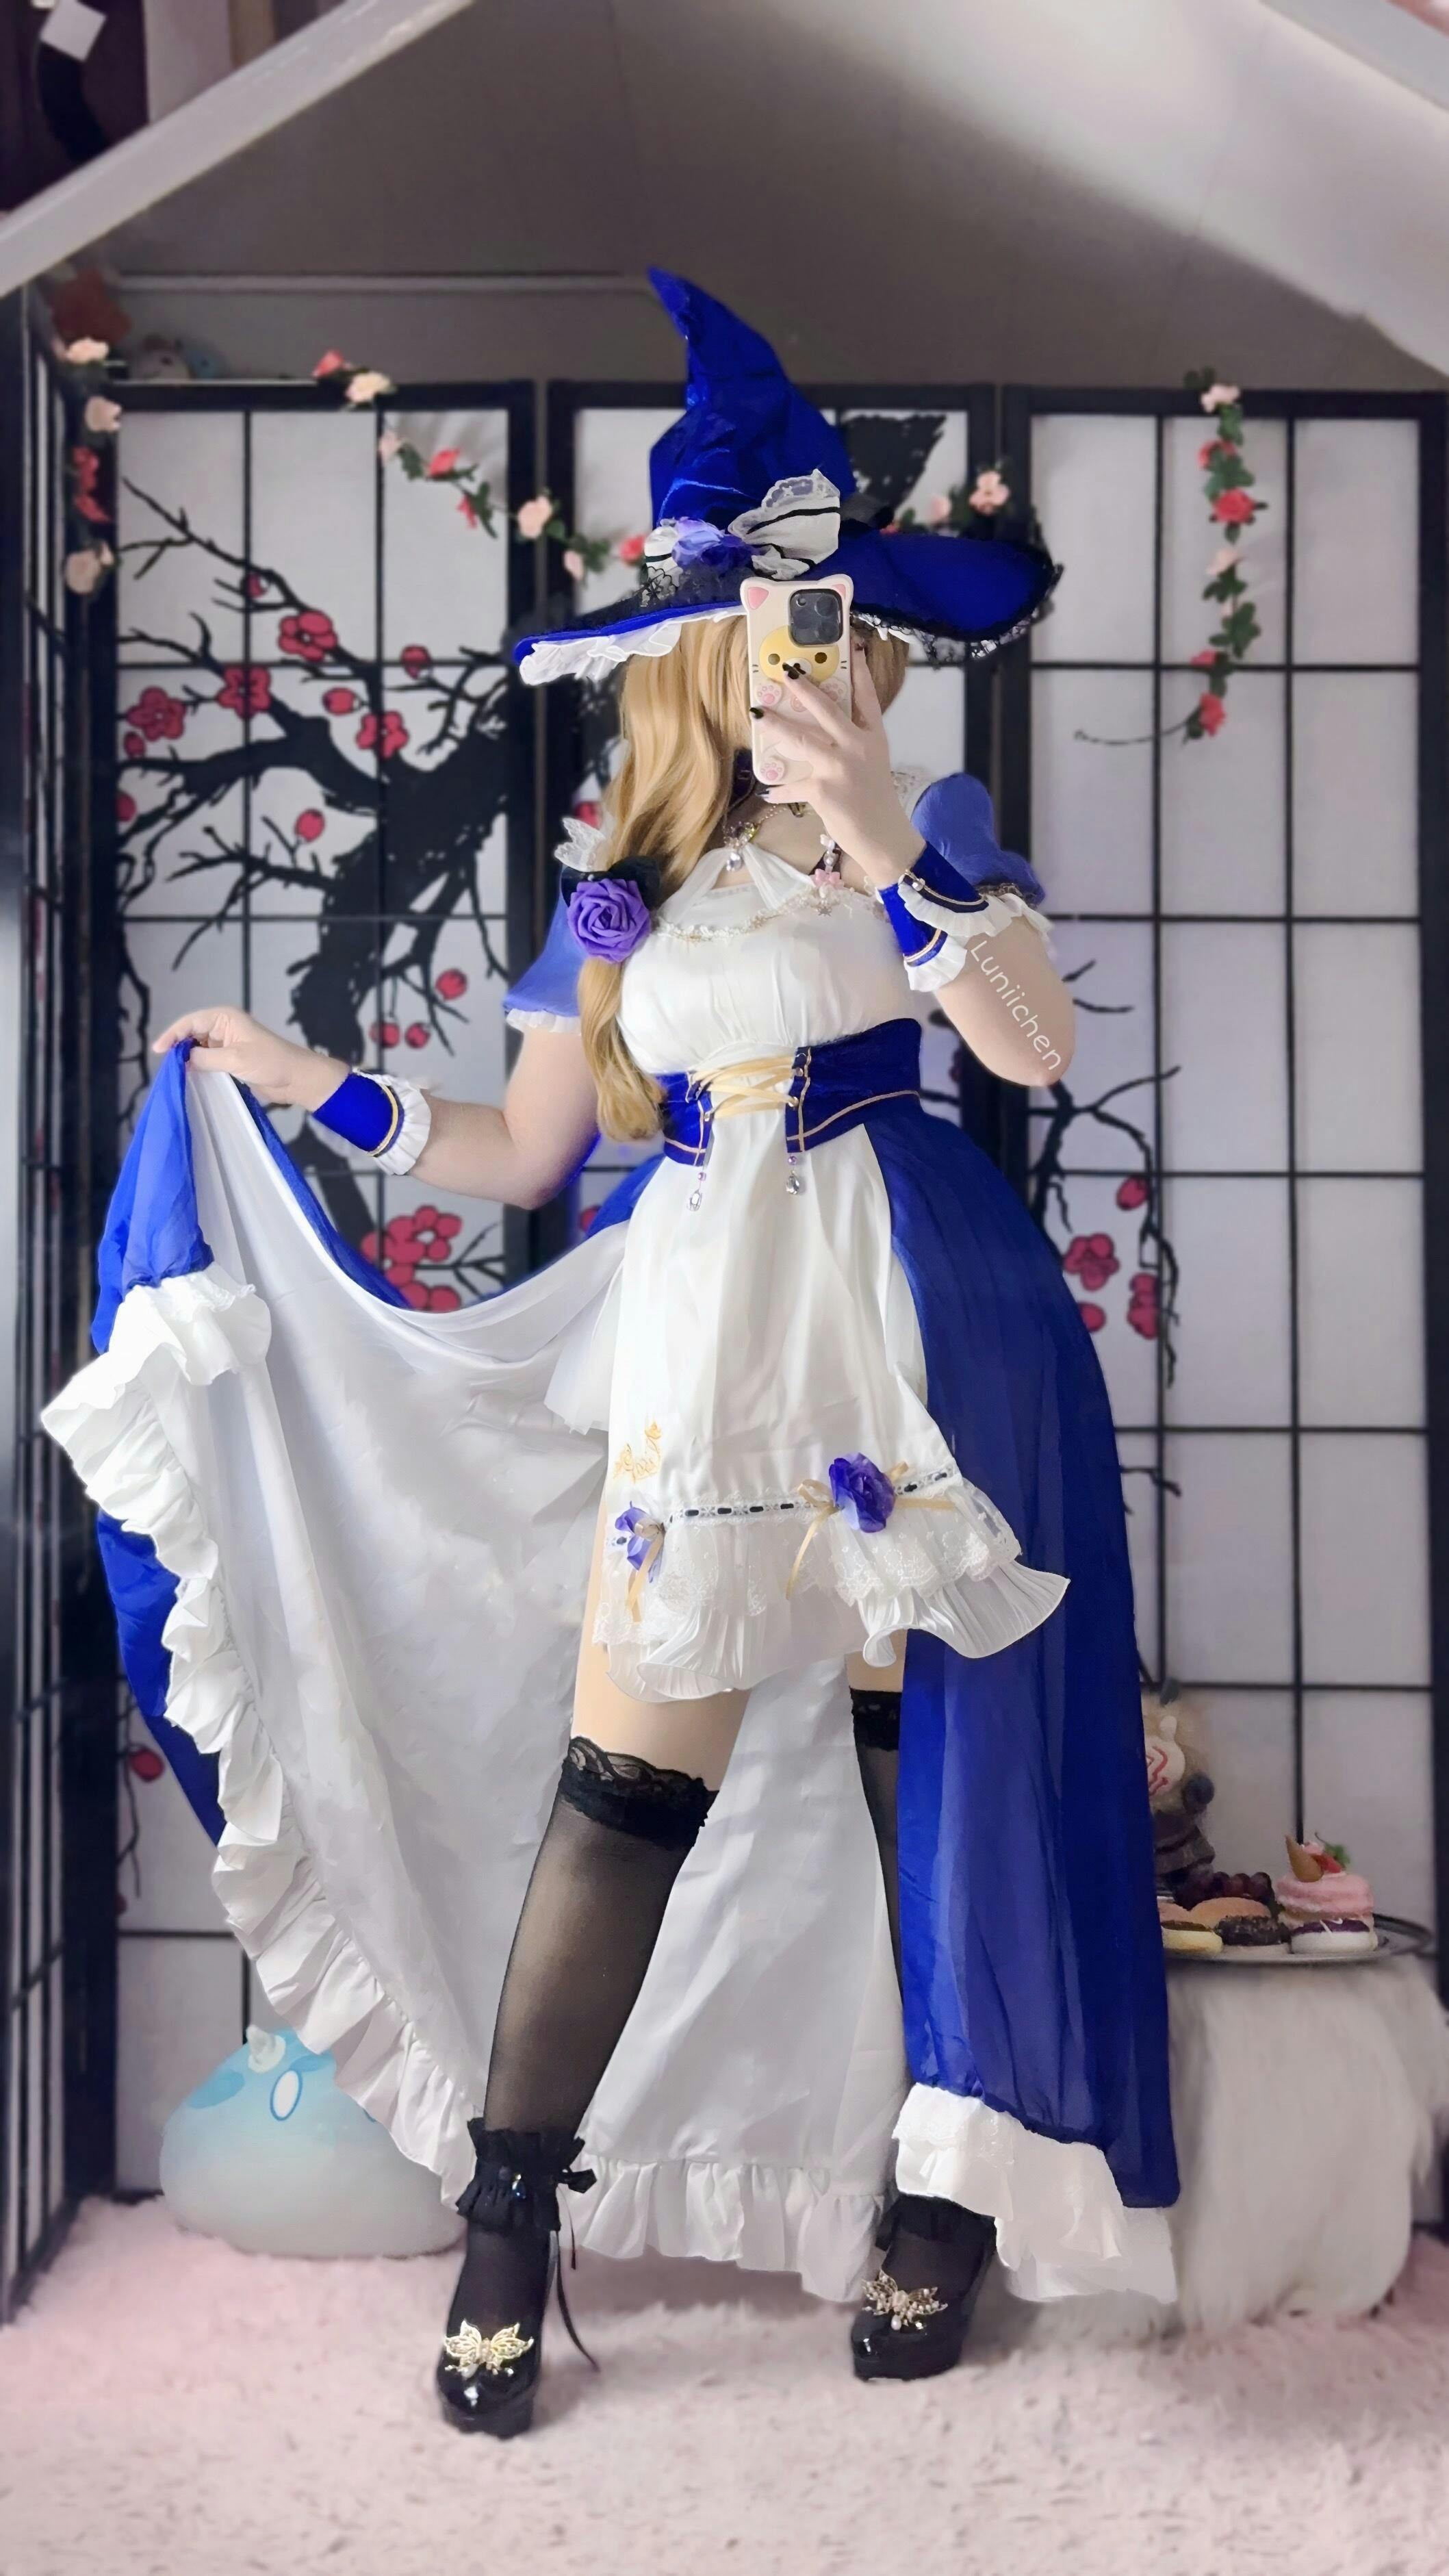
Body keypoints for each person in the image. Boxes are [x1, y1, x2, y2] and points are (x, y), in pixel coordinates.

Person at [44, 272, 1177, 2440]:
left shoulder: (927, 822)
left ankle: (941, 2200)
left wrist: (879, 830)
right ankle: (508, 2215)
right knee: (623, 1786)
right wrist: (311, 1085)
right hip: (706, 1333)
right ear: (687, 640)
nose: (802, 652)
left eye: (829, 620)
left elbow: (1029, 1045)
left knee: (924, 1784)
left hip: (919, 1322)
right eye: (763, 619)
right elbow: (525, 1150)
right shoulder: (621, 881)